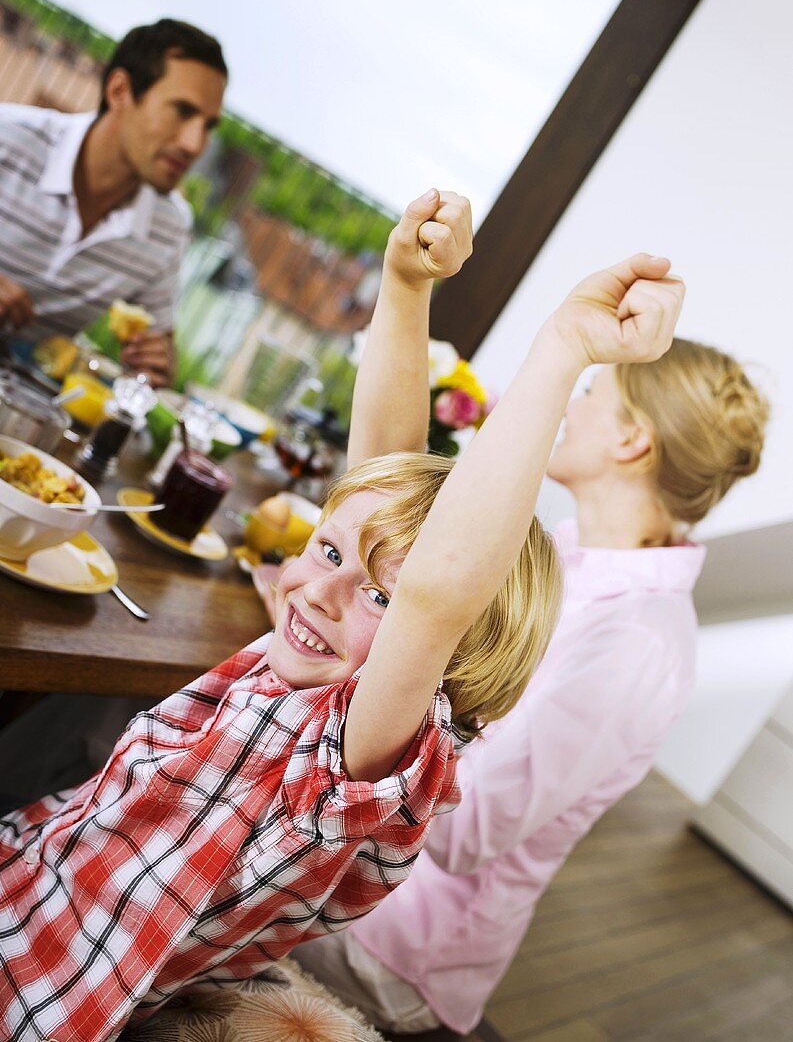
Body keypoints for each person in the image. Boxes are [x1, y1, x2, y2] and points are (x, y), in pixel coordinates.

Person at [0, 187, 683, 1042]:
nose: (322, 592)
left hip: (18, 994)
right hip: (12, 876)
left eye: (381, 598)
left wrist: (563, 347)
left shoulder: (348, 755)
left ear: (441, 658)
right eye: (329, 552)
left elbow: (439, 588)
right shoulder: (310, 653)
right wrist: (402, 282)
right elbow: (378, 475)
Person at [292, 294, 769, 1034]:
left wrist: (395, 658)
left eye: (589, 393)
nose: (568, 406)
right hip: (356, 872)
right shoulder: (570, 552)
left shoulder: (636, 644)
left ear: (631, 444)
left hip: (391, 946)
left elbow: (465, 835)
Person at [0, 18, 228, 386]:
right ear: (120, 91)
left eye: (208, 126)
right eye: (182, 111)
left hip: (17, 417)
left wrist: (155, 365)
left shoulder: (169, 228)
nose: (194, 144)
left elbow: (156, 355)